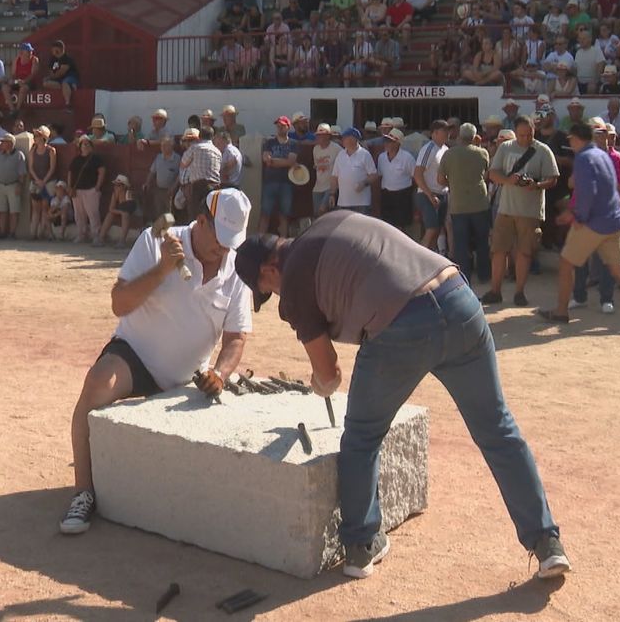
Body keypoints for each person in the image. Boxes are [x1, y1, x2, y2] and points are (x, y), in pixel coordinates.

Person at [233, 212, 571, 581]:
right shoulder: (331, 220)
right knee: (498, 429)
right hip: (459, 301)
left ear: (268, 271)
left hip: (401, 327)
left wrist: (320, 383)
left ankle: (360, 547)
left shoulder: (294, 283)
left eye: (268, 290)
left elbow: (328, 374)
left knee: (362, 437)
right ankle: (547, 543)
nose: (274, 295)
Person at [61, 189, 254, 535]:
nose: (222, 250)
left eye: (230, 243)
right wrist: (163, 268)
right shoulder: (157, 242)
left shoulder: (237, 268)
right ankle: (83, 491)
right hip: (136, 354)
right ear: (201, 221)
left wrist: (220, 373)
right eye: (219, 239)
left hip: (189, 375)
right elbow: (119, 303)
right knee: (95, 386)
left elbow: (237, 337)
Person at [543, 120, 620, 328]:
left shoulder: (584, 159)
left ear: (576, 139)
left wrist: (576, 216)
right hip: (613, 221)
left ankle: (561, 311)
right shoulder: (603, 156)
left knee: (566, 263)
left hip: (592, 223)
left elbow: (587, 193)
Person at [480, 115, 558, 307]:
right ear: (516, 132)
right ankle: (495, 290)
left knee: (524, 253)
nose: (525, 138)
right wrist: (508, 181)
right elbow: (493, 173)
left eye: (529, 134)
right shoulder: (506, 148)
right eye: (522, 135)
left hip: (529, 211)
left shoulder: (543, 150)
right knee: (498, 250)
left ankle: (519, 292)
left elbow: (553, 178)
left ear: (533, 131)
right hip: (506, 208)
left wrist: (536, 184)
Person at [564, 121, 620, 314]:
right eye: (595, 133)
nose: (598, 136)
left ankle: (606, 299)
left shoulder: (615, 159)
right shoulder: (583, 157)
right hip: (583, 215)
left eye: (601, 133)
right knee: (578, 260)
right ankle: (579, 296)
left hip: (602, 216)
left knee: (608, 261)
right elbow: (571, 184)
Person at [439, 123, 492, 283]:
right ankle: (484, 275)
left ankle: (464, 276)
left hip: (458, 205)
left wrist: (453, 183)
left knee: (461, 243)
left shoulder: (449, 154)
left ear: (459, 136)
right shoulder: (483, 153)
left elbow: (440, 180)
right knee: (482, 241)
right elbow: (487, 174)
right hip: (480, 203)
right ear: (475, 137)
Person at [413, 120, 450, 251]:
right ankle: (420, 256)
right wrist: (430, 195)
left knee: (438, 230)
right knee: (432, 228)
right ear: (434, 133)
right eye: (444, 131)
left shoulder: (446, 149)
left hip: (442, 193)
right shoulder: (428, 148)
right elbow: (417, 174)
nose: (447, 134)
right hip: (427, 193)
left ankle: (432, 258)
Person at [259, 116, 299, 235]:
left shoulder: (293, 143)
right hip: (270, 182)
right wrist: (284, 162)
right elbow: (266, 159)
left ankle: (282, 241)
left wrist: (274, 162)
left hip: (286, 183)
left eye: (282, 125)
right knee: (265, 213)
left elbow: (291, 161)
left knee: (284, 215)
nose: (279, 128)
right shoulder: (269, 142)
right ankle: (259, 240)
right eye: (278, 126)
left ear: (288, 127)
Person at [68, 135, 106, 245]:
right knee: (79, 214)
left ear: (91, 146)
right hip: (78, 189)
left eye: (87, 144)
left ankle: (96, 236)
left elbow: (102, 172)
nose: (84, 146)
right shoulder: (76, 159)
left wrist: (97, 187)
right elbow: (70, 173)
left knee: (93, 214)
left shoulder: (96, 159)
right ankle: (81, 234)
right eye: (82, 144)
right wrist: (70, 186)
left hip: (91, 189)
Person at [377, 128, 416, 231]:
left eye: (390, 141)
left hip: (402, 196)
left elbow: (415, 178)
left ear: (398, 143)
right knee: (386, 225)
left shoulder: (408, 158)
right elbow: (380, 176)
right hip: (386, 195)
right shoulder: (381, 157)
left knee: (401, 227)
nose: (387, 143)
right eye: (386, 141)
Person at [331, 127, 378, 215]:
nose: (342, 140)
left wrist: (364, 183)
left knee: (362, 227)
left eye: (344, 138)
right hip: (343, 202)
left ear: (352, 139)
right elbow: (334, 177)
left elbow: (374, 175)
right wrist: (332, 194)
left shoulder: (365, 154)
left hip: (362, 203)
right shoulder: (340, 155)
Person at [0, 133, 27, 239]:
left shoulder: (19, 155)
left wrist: (20, 185)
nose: (2, 144)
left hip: (14, 184)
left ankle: (12, 233)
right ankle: (2, 232)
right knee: (1, 210)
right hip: (1, 185)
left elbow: (22, 173)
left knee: (14, 210)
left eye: (4, 142)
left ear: (10, 143)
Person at [28, 128, 57, 239]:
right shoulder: (32, 151)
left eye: (38, 135)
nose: (35, 138)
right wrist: (37, 180)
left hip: (48, 181)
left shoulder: (51, 150)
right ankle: (33, 233)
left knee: (45, 208)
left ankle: (47, 233)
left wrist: (43, 181)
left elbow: (52, 168)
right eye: (35, 135)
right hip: (36, 181)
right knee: (35, 209)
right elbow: (30, 168)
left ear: (43, 137)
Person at [310, 123, 342, 217]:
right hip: (318, 185)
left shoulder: (337, 149)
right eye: (319, 135)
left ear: (328, 136)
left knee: (322, 210)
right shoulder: (315, 149)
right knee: (316, 214)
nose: (321, 137)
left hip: (330, 186)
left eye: (323, 135)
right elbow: (316, 165)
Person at [97, 174, 138, 247]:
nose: (116, 187)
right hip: (121, 212)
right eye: (115, 185)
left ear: (124, 186)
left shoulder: (129, 194)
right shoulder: (115, 194)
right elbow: (111, 209)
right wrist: (120, 212)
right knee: (110, 214)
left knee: (125, 215)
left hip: (129, 213)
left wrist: (121, 212)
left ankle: (122, 240)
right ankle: (101, 238)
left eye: (118, 185)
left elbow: (129, 208)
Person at [146, 137, 180, 221]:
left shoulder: (177, 158)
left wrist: (173, 187)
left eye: (165, 145)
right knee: (158, 212)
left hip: (171, 191)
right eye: (162, 145)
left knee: (169, 214)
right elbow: (152, 172)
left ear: (171, 146)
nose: (163, 148)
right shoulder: (158, 157)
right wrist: (147, 183)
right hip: (159, 189)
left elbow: (180, 175)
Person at [5, 42, 41, 107]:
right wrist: (12, 80)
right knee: (5, 87)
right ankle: (12, 108)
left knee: (23, 88)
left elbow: (33, 74)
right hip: (18, 81)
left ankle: (18, 108)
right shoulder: (16, 60)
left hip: (29, 82)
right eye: (28, 51)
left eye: (31, 51)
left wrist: (24, 81)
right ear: (22, 52)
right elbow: (13, 74)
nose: (30, 52)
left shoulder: (34, 60)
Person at [43, 40, 78, 106]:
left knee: (65, 83)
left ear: (61, 49)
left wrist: (53, 76)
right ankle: (70, 88)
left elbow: (62, 72)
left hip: (70, 77)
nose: (53, 50)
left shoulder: (67, 58)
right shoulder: (53, 59)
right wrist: (50, 77)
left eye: (55, 48)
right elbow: (51, 71)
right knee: (46, 83)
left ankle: (67, 103)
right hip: (58, 79)